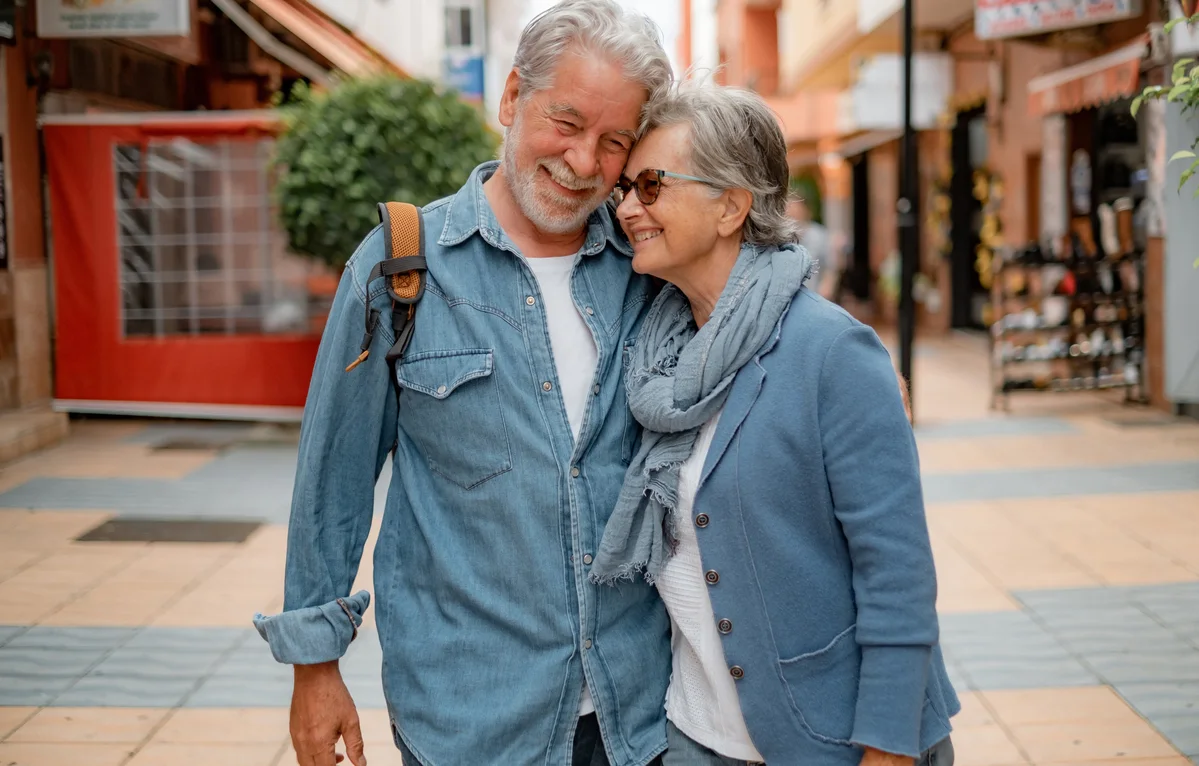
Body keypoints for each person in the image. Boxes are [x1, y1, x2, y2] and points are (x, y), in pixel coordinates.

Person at [252, 3, 674, 765]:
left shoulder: (649, 271)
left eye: (613, 142)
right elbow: (333, 480)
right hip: (469, 721)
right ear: (512, 97)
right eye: (565, 123)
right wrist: (314, 667)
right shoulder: (398, 267)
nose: (583, 163)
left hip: (638, 716)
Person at [592, 84, 959, 766]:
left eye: (650, 185)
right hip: (693, 736)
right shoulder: (655, 355)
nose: (627, 208)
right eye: (624, 188)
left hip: (829, 738)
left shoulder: (830, 352)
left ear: (730, 206)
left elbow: (896, 574)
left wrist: (887, 747)